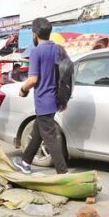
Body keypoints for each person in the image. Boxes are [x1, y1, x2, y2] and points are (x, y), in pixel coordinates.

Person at [12, 17, 68, 175]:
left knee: (50, 138)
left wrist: (23, 89)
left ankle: (63, 174)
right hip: (55, 99)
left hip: (44, 100)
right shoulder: (58, 49)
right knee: (38, 131)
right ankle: (25, 162)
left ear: (35, 34)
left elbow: (33, 79)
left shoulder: (36, 52)